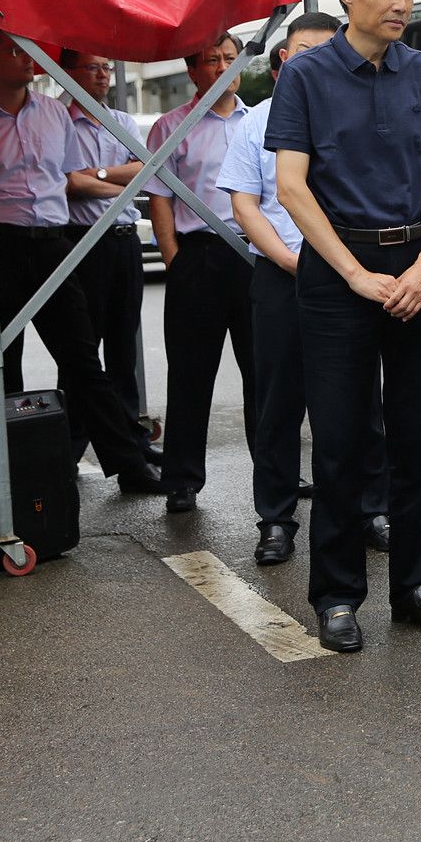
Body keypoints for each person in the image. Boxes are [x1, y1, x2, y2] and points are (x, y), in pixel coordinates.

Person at [269, 0, 421, 651]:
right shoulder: (307, 76)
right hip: (337, 272)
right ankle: (337, 595)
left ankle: (415, 586)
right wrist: (353, 274)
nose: (401, 3)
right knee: (342, 441)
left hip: (416, 263)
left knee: (416, 440)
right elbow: (292, 185)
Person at [0, 31, 166, 494]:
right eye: (16, 52)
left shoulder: (53, 114)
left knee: (82, 358)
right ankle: (9, 472)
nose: (28, 61)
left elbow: (65, 177)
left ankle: (128, 465)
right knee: (3, 362)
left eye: (32, 52)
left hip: (54, 245)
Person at [217, 12, 391, 566]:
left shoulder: (364, 110)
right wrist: (291, 260)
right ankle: (275, 517)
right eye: (303, 51)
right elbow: (245, 203)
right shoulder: (257, 123)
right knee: (278, 402)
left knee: (362, 401)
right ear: (281, 63)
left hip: (353, 276)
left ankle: (371, 509)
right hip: (283, 274)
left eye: (327, 49)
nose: (316, 60)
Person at [145, 34, 255, 514]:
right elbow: (159, 195)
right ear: (192, 70)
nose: (223, 67)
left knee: (265, 373)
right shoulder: (173, 126)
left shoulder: (260, 122)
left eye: (231, 58)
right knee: (191, 373)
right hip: (199, 255)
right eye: (212, 60)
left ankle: (278, 470)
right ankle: (182, 480)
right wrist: (174, 256)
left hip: (255, 255)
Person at [60, 50, 159, 461]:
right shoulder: (60, 124)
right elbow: (69, 184)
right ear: (68, 73)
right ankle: (70, 445)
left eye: (106, 67)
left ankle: (130, 445)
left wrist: (97, 175)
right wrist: (117, 180)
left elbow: (144, 169)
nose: (102, 75)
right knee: (82, 349)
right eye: (92, 68)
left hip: (123, 239)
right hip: (82, 241)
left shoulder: (121, 122)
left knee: (124, 346)